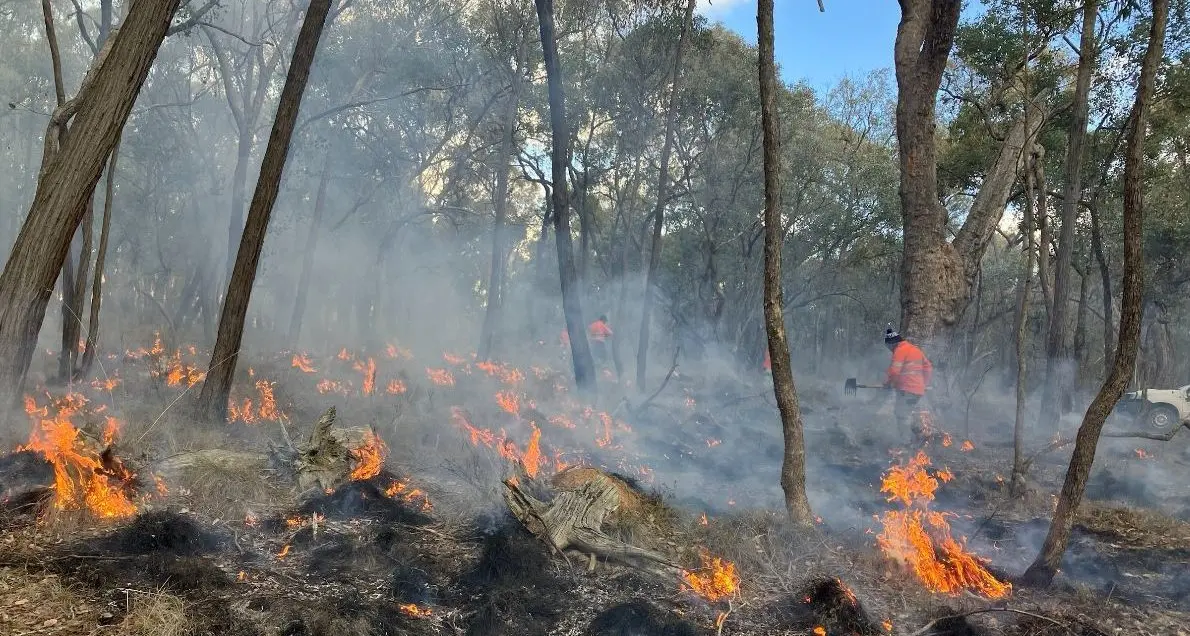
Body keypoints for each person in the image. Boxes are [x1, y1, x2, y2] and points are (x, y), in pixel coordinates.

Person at [882, 327, 934, 444]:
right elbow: (929, 368)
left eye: (889, 347)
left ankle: (906, 443)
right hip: (917, 392)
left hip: (907, 390)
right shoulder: (915, 350)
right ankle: (918, 436)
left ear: (892, 343)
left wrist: (889, 383)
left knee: (901, 415)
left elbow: (894, 371)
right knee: (906, 413)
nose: (890, 350)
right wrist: (923, 384)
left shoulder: (900, 350)